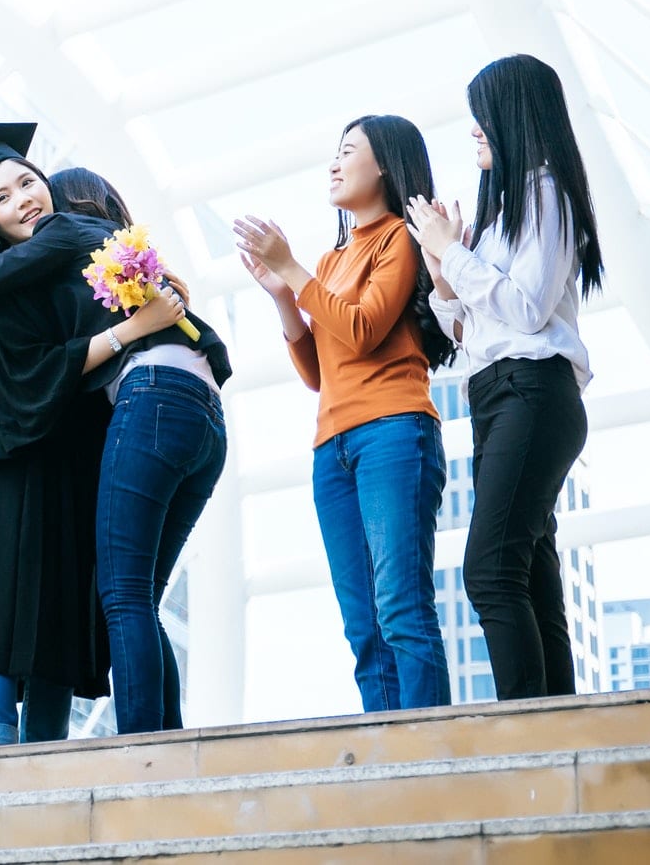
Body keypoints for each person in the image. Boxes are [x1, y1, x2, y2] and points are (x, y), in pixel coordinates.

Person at [0, 124, 147, 747]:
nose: (24, 198)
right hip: (3, 462)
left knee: (57, 602)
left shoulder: (80, 259)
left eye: (28, 182)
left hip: (67, 454)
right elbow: (34, 372)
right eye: (2, 196)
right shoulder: (2, 285)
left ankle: (46, 752)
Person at [234, 116, 457, 713]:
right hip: (332, 446)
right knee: (363, 626)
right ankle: (388, 761)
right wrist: (285, 296)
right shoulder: (329, 263)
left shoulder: (403, 240)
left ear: (384, 164)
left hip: (392, 431)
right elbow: (316, 373)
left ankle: (431, 760)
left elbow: (361, 331)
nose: (333, 164)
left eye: (347, 152)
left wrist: (292, 271)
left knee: (402, 610)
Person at [408, 54, 601, 701]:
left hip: (535, 390)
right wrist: (443, 265)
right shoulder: (499, 216)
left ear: (513, 113)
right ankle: (558, 726)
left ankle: (527, 732)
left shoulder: (546, 189)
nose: (474, 132)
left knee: (489, 569)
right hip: (497, 394)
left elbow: (525, 307)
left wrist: (454, 250)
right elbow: (470, 333)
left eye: (482, 117)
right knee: (531, 576)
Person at [39, 168, 232, 735]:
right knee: (142, 596)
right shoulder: (138, 262)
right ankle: (166, 745)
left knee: (123, 595)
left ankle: (144, 754)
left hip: (152, 400)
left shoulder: (80, 259)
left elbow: (58, 363)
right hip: (205, 416)